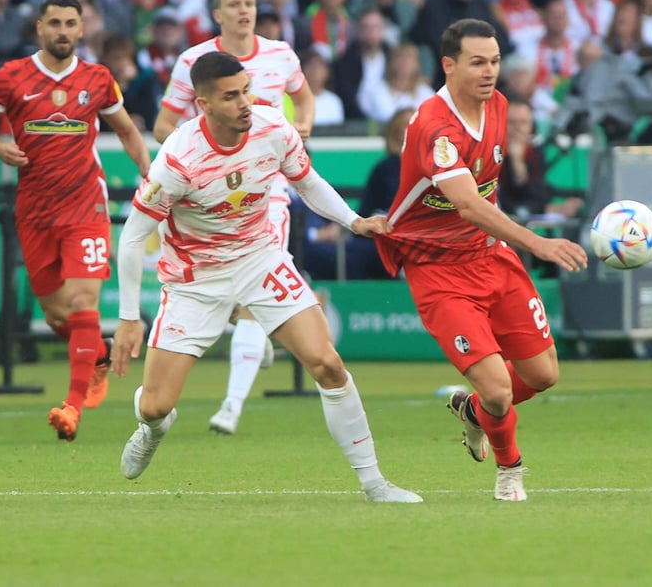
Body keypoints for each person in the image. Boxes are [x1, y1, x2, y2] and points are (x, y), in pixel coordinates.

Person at [110, 51, 421, 504]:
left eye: (247, 91)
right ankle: (152, 428)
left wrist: (354, 221)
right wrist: (126, 319)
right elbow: (134, 236)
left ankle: (376, 484)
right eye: (230, 96)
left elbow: (307, 182)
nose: (245, 103)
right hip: (196, 280)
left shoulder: (273, 127)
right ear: (203, 105)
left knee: (328, 365)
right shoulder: (178, 159)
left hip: (260, 260)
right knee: (155, 405)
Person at [376, 19, 589, 501]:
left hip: (490, 256)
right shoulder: (434, 127)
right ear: (448, 65)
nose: (489, 71)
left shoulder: (499, 106)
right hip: (438, 269)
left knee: (543, 375)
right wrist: (538, 243)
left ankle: (473, 412)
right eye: (477, 62)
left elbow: (486, 194)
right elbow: (469, 204)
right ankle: (510, 468)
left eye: (494, 61)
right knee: (497, 388)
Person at [0, 0, 151, 440]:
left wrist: (150, 176)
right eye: (55, 23)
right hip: (35, 211)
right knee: (54, 315)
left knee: (83, 302)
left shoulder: (98, 79)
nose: (63, 31)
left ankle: (72, 408)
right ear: (40, 28)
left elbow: (128, 131)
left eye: (70, 23)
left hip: (86, 205)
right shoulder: (10, 77)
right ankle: (97, 354)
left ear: (82, 29)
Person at [153, 0, 315, 436]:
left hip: (269, 191)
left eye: (250, 3)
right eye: (235, 4)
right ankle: (258, 331)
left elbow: (304, 98)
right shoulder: (194, 62)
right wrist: (195, 155)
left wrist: (302, 126)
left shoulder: (281, 53)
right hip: (210, 197)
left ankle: (231, 406)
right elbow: (164, 125)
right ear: (218, 14)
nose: (245, 10)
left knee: (251, 293)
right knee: (234, 300)